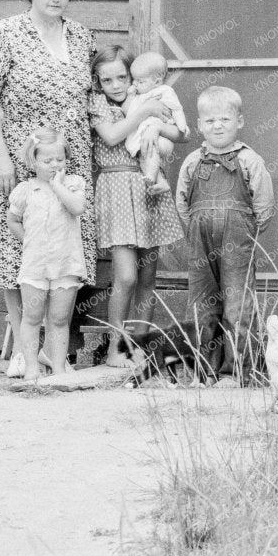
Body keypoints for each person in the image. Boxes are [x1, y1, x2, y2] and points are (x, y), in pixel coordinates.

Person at [0, 0, 100, 377]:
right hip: (23, 156)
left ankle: (52, 350)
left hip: (70, 156)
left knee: (62, 247)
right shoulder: (2, 34)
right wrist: (2, 158)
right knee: (19, 249)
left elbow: (90, 95)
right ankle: (24, 351)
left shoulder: (81, 36)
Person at [88, 45, 187, 369]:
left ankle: (138, 347)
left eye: (121, 78)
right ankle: (116, 347)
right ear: (98, 82)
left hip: (148, 187)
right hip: (116, 189)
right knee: (126, 277)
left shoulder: (148, 97)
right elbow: (114, 136)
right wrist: (146, 114)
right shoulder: (99, 104)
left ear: (132, 77)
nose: (115, 85)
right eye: (107, 80)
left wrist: (158, 125)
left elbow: (180, 134)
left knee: (147, 276)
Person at [174, 86, 275, 385]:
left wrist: (245, 234)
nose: (217, 126)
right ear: (199, 125)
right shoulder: (192, 162)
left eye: (225, 119)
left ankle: (236, 372)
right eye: (210, 121)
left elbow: (264, 206)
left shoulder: (249, 160)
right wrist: (198, 228)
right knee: (202, 305)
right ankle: (204, 372)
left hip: (238, 243)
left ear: (239, 122)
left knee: (237, 304)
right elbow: (182, 204)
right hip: (200, 243)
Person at [6, 126, 87, 379]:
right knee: (31, 317)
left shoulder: (73, 184)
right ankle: (31, 367)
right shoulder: (25, 190)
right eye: (47, 160)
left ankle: (59, 367)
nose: (54, 164)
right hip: (36, 264)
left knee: (60, 318)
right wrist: (30, 242)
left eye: (60, 160)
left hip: (66, 263)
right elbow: (13, 220)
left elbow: (76, 208)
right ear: (33, 161)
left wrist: (57, 184)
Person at [125, 52, 190, 193]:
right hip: (146, 138)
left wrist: (181, 125)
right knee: (144, 156)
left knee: (149, 150)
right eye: (134, 80)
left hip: (162, 140)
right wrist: (131, 95)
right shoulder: (140, 96)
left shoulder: (164, 91)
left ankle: (151, 175)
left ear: (157, 81)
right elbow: (129, 112)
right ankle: (160, 182)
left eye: (140, 81)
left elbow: (176, 108)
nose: (135, 84)